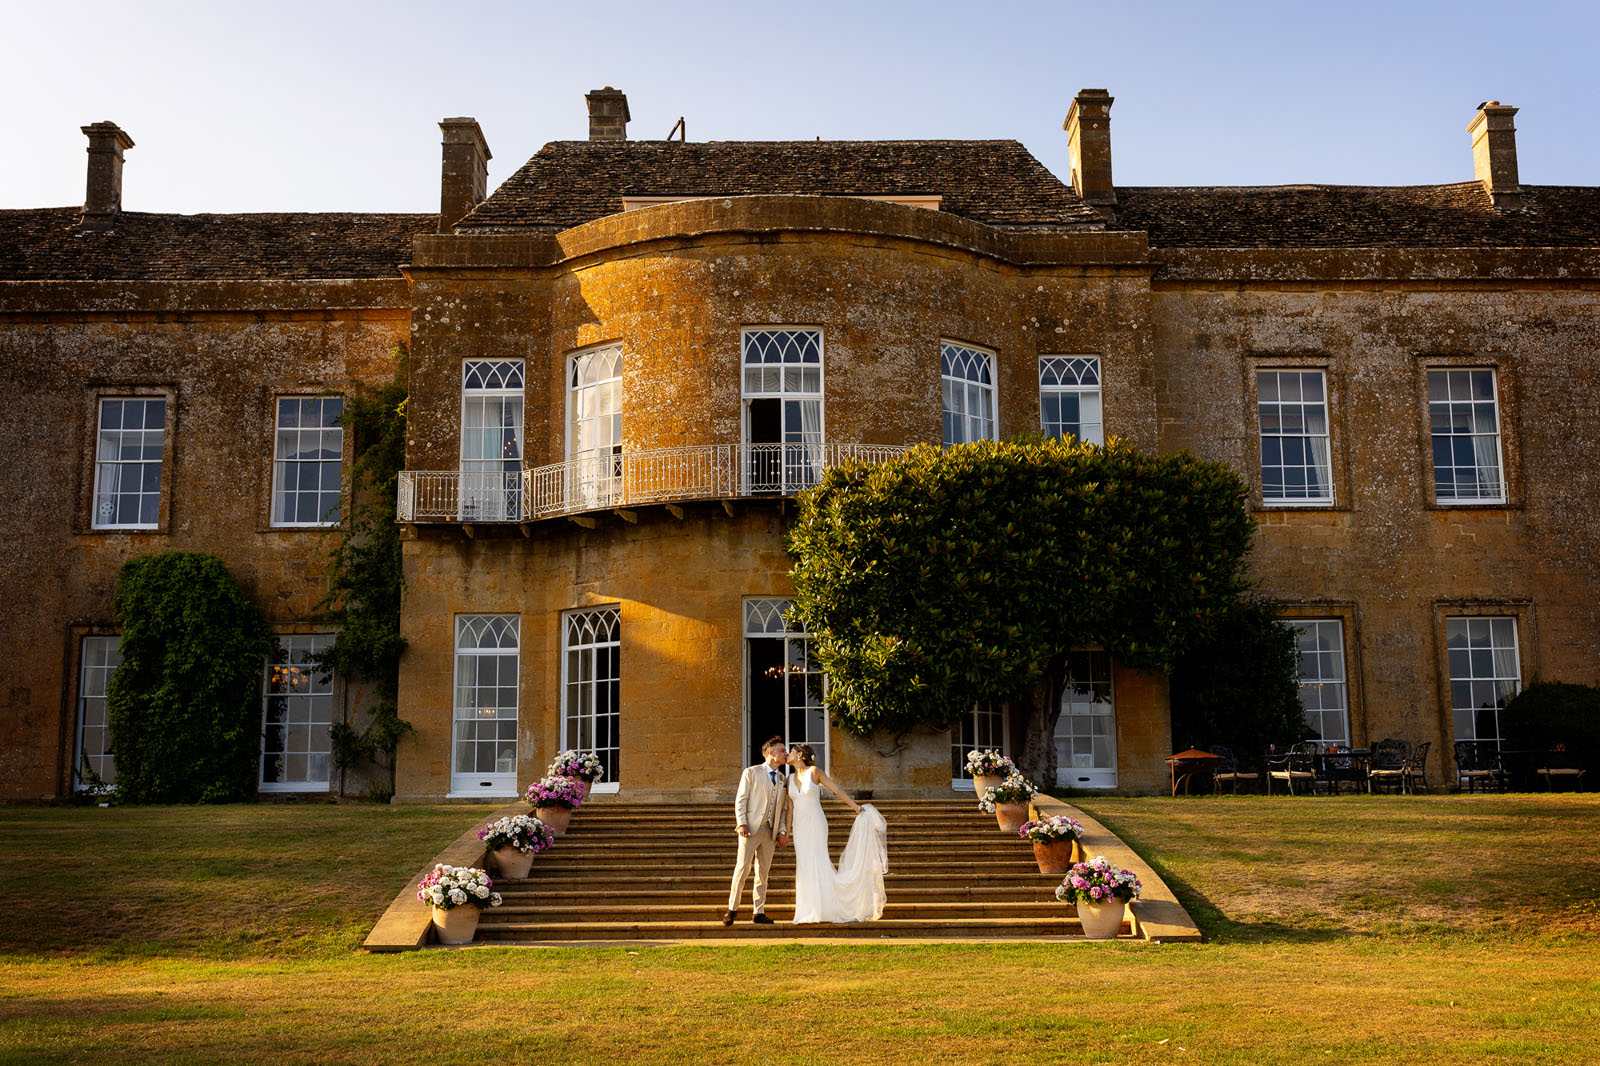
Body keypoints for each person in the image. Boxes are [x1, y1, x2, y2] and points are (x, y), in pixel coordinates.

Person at [786, 743, 888, 923]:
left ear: (800, 755)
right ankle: (808, 910)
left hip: (816, 823)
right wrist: (786, 831)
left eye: (791, 751)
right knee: (804, 865)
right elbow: (789, 808)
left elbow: (836, 789)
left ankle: (822, 909)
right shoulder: (789, 779)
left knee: (818, 862)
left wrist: (855, 807)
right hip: (799, 826)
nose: (788, 754)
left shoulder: (815, 771)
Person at [723, 735, 790, 926]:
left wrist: (782, 831)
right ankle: (732, 910)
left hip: (770, 832)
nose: (785, 754)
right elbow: (741, 800)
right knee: (742, 869)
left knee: (763, 873)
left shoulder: (782, 778)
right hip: (750, 829)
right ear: (770, 753)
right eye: (782, 750)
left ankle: (758, 912)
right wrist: (742, 823)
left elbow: (783, 809)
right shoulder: (751, 772)